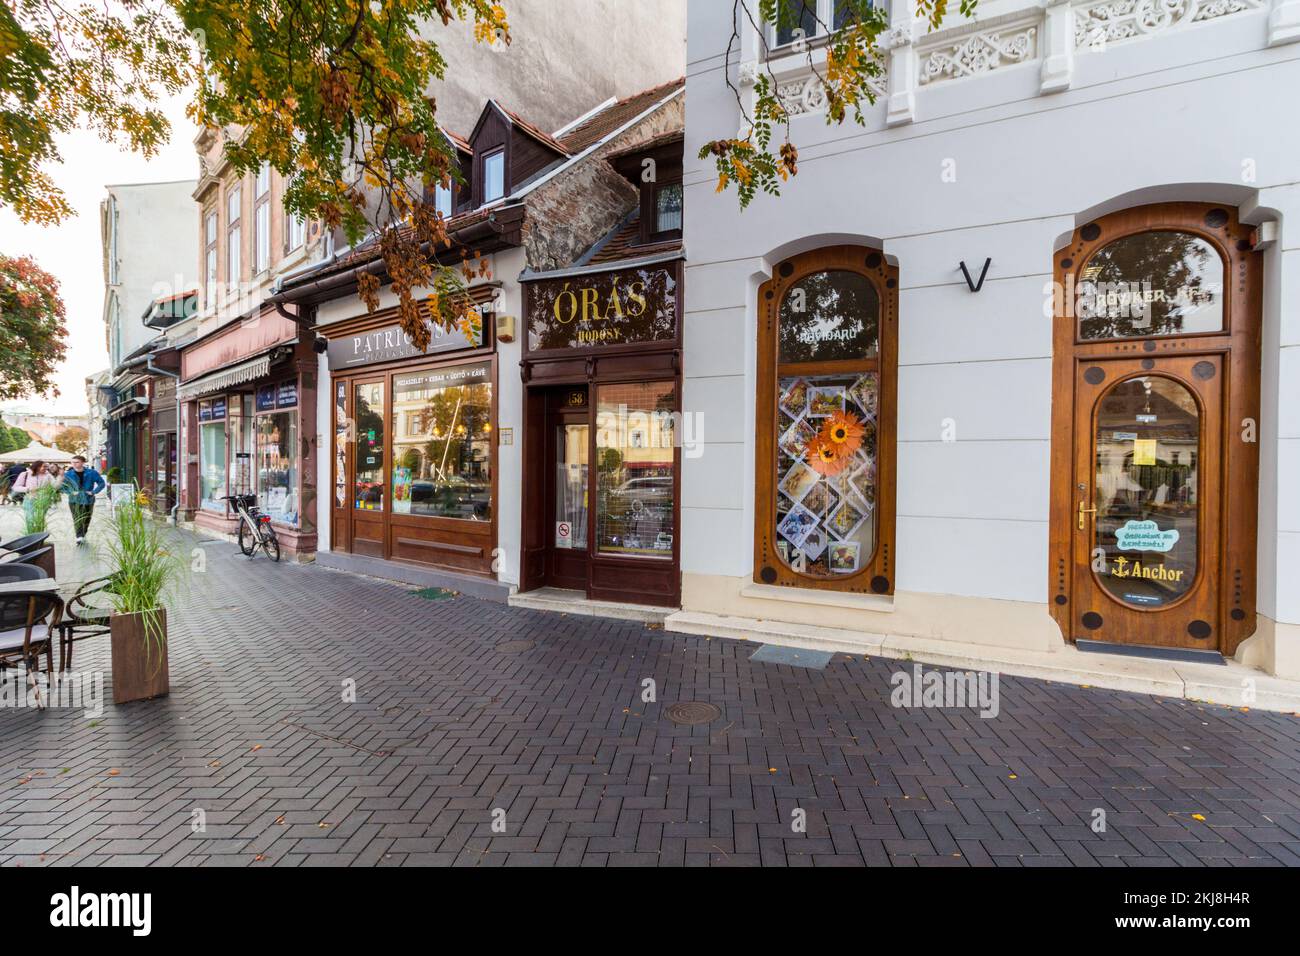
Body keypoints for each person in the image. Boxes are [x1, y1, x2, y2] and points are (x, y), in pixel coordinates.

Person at [62, 455, 106, 543]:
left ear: (83, 463)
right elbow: (63, 487)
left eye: (76, 462)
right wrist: (71, 492)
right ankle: (79, 536)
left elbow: (101, 483)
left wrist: (93, 492)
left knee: (86, 518)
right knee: (77, 518)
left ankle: (83, 534)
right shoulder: (68, 474)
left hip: (88, 499)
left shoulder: (92, 473)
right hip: (74, 500)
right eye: (72, 462)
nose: (74, 464)